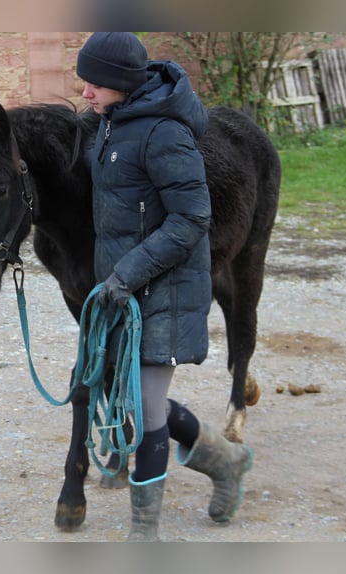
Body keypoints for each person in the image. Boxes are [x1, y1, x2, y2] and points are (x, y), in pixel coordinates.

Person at [76, 32, 253, 542]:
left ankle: (144, 535)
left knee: (147, 410)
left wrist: (127, 274)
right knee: (132, 400)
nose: (86, 92)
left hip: (163, 290)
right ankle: (226, 460)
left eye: (96, 83)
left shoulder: (164, 135)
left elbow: (191, 219)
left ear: (124, 85)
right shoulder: (113, 124)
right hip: (124, 290)